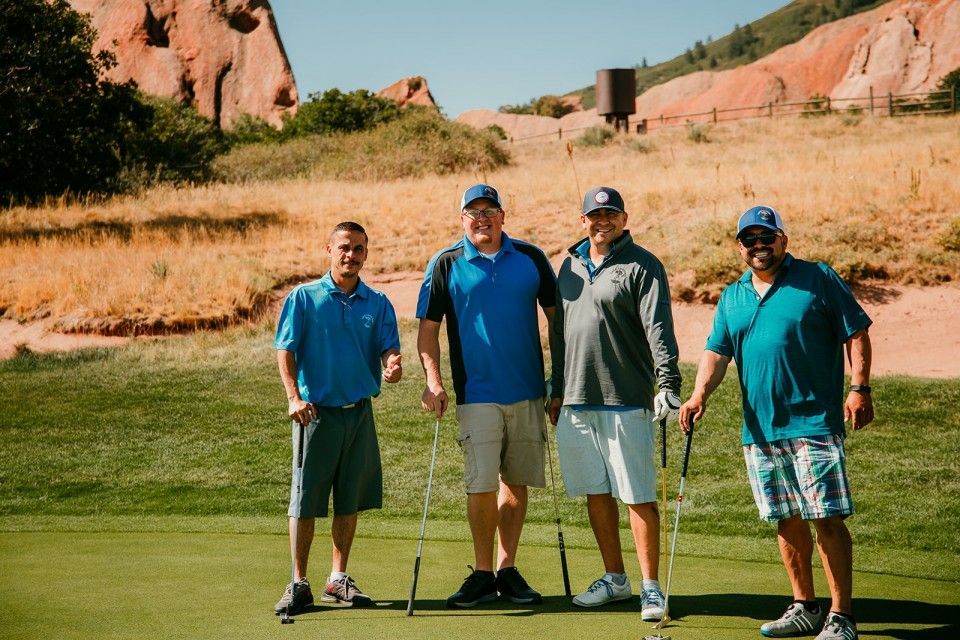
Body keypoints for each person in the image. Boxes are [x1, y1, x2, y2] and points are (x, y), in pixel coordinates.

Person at [678, 205, 873, 640]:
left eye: (767, 237)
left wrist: (860, 388)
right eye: (750, 239)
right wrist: (698, 395)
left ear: (783, 239)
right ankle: (804, 605)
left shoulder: (817, 277)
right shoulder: (732, 296)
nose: (759, 246)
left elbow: (855, 331)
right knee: (786, 519)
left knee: (826, 517)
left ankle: (842, 616)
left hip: (814, 423)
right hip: (761, 430)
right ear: (740, 247)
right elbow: (716, 352)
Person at [417, 183, 556, 608]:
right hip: (476, 392)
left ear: (502, 216)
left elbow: (558, 319)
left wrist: (559, 381)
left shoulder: (530, 258)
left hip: (529, 392)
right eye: (473, 212)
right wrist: (434, 380)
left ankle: (507, 569)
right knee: (479, 484)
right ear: (462, 219)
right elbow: (427, 331)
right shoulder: (446, 263)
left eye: (489, 210)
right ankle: (482, 572)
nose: (482, 218)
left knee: (516, 482)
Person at [548, 186, 682, 621]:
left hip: (624, 396)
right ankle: (615, 578)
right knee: (596, 491)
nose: (602, 220)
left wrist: (667, 382)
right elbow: (558, 335)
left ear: (624, 218)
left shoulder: (643, 265)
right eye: (594, 214)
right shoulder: (567, 266)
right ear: (582, 219)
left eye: (611, 213)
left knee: (637, 495)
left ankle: (649, 588)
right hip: (575, 397)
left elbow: (658, 325)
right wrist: (555, 389)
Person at [272, 221, 402, 615]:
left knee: (349, 501)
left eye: (359, 249)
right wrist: (293, 397)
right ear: (329, 249)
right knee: (305, 501)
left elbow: (388, 349)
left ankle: (337, 578)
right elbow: (285, 350)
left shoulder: (377, 302)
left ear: (366, 253)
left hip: (359, 414)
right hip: (315, 416)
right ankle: (298, 581)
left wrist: (392, 363)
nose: (351, 255)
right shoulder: (305, 298)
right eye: (344, 247)